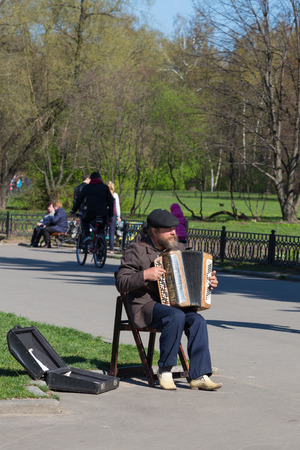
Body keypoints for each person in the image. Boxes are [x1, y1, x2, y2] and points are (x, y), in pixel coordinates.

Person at [115, 208, 222, 391]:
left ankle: (199, 375)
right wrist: (145, 274)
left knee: (197, 321)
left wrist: (208, 282)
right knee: (175, 317)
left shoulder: (178, 249)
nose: (173, 232)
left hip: (173, 306)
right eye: (168, 229)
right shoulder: (136, 251)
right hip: (146, 306)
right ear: (154, 231)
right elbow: (121, 282)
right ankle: (165, 370)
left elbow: (192, 278)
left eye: (174, 228)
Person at [71, 171, 114, 240]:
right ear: (99, 179)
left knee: (84, 221)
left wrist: (74, 210)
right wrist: (110, 215)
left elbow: (79, 200)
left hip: (91, 213)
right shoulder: (105, 188)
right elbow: (111, 201)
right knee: (101, 230)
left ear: (91, 179)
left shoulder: (87, 187)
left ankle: (87, 235)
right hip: (103, 213)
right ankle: (101, 243)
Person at [108, 181, 121, 254]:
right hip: (113, 214)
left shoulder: (106, 194)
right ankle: (111, 249)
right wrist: (118, 216)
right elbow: (117, 206)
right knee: (111, 232)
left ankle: (101, 246)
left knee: (103, 231)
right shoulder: (115, 195)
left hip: (106, 214)